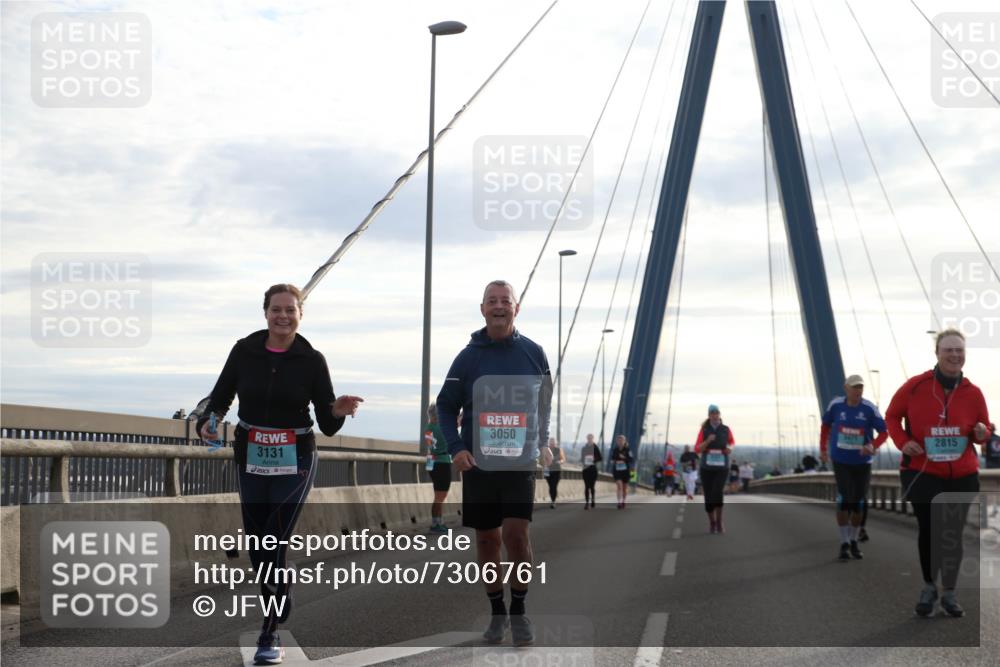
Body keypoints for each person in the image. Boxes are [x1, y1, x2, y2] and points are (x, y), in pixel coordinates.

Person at [197, 283, 363, 664]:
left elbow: (327, 420)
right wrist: (208, 422)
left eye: (290, 310)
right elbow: (220, 398)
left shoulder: (312, 359)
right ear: (266, 313)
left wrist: (336, 409)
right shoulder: (244, 351)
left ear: (301, 315)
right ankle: (278, 589)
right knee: (258, 546)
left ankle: (269, 631)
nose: (283, 316)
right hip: (252, 456)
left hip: (296, 459)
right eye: (276, 309)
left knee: (274, 537)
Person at [436, 280, 553, 646]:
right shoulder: (468, 357)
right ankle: (496, 612)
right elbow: (444, 405)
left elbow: (545, 403)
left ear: (517, 308)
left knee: (517, 536)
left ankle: (519, 612)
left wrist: (543, 440)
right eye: (492, 301)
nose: (499, 306)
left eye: (506, 301)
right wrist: (456, 446)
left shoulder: (535, 353)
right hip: (480, 466)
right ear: (482, 309)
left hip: (519, 463)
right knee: (487, 540)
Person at [885, 329, 992, 617]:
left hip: (963, 473)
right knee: (931, 529)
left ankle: (950, 593)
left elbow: (985, 426)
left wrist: (983, 432)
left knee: (952, 534)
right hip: (922, 471)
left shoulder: (973, 392)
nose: (955, 355)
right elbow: (892, 416)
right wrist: (903, 442)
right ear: (937, 353)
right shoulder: (915, 387)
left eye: (959, 350)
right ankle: (929, 586)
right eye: (949, 350)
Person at [819, 374, 888, 562]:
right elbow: (825, 426)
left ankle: (854, 540)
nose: (858, 391)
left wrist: (872, 445)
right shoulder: (836, 405)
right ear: (846, 388)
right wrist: (823, 449)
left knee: (858, 503)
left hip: (861, 462)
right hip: (841, 460)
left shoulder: (868, 408)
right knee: (843, 499)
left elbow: (884, 432)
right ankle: (844, 543)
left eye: (861, 388)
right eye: (854, 387)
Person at [694, 404, 735, 533]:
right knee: (709, 496)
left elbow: (732, 442)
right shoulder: (704, 429)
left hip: (722, 467)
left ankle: (719, 522)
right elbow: (697, 449)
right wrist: (707, 441)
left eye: (716, 412)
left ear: (719, 414)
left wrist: (730, 448)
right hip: (707, 467)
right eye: (712, 413)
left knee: (717, 492)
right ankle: (712, 522)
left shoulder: (726, 429)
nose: (714, 415)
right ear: (709, 415)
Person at [423, 403, 453, 534]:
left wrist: (429, 466)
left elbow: (430, 448)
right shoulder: (443, 428)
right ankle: (436, 524)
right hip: (443, 462)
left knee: (437, 495)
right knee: (440, 496)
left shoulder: (428, 428)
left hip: (432, 462)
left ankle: (438, 522)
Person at [580, 433, 602, 509]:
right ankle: (587, 503)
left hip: (593, 469)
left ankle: (592, 499)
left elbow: (600, 458)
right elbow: (582, 459)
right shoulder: (584, 448)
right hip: (586, 469)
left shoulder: (595, 448)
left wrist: (593, 459)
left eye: (591, 438)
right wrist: (584, 460)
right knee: (586, 486)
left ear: (593, 439)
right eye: (588, 438)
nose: (589, 439)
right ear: (587, 439)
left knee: (592, 487)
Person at [610, 434, 633, 509]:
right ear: (617, 441)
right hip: (617, 471)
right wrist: (615, 461)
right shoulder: (615, 450)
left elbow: (631, 460)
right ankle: (619, 502)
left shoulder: (628, 450)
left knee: (624, 488)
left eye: (621, 440)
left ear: (624, 441)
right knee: (619, 486)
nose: (620, 442)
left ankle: (623, 501)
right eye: (618, 440)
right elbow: (612, 459)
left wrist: (624, 458)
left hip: (625, 471)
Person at [545, 437, 566, 508]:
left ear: (555, 443)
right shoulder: (546, 450)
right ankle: (552, 500)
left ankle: (553, 502)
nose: (552, 444)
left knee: (554, 486)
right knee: (551, 486)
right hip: (548, 471)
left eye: (553, 443)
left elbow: (563, 459)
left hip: (557, 471)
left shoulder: (559, 450)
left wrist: (560, 461)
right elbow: (542, 459)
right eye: (551, 442)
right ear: (549, 443)